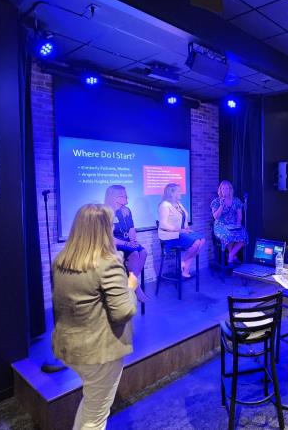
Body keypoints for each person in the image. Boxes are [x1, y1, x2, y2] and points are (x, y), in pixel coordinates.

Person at [52, 204, 138, 430]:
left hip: (70, 347)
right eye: (110, 225)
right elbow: (123, 312)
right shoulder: (108, 264)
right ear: (103, 229)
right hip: (99, 353)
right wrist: (130, 286)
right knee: (95, 418)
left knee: (91, 403)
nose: (113, 229)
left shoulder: (61, 260)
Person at [158, 183, 205, 278]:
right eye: (178, 191)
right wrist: (179, 230)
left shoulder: (179, 204)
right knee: (196, 242)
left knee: (202, 240)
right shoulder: (164, 205)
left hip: (180, 233)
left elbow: (183, 218)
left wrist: (187, 228)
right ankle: (185, 268)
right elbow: (163, 224)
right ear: (171, 193)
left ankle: (183, 263)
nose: (181, 193)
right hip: (170, 235)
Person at [104, 185, 148, 281]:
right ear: (113, 197)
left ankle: (132, 283)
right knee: (134, 253)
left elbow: (131, 229)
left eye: (125, 194)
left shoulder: (127, 211)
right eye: (122, 195)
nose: (126, 196)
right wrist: (127, 243)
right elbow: (108, 238)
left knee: (143, 252)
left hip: (127, 241)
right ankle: (133, 285)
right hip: (113, 244)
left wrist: (132, 240)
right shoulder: (106, 212)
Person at [210, 180, 248, 264]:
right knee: (228, 235)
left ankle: (231, 255)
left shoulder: (236, 201)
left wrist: (238, 225)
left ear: (230, 189)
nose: (224, 190)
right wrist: (221, 205)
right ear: (220, 190)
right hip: (221, 225)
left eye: (227, 188)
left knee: (244, 234)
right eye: (223, 188)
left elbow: (239, 215)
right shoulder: (216, 202)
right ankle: (232, 257)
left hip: (234, 225)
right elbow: (215, 217)